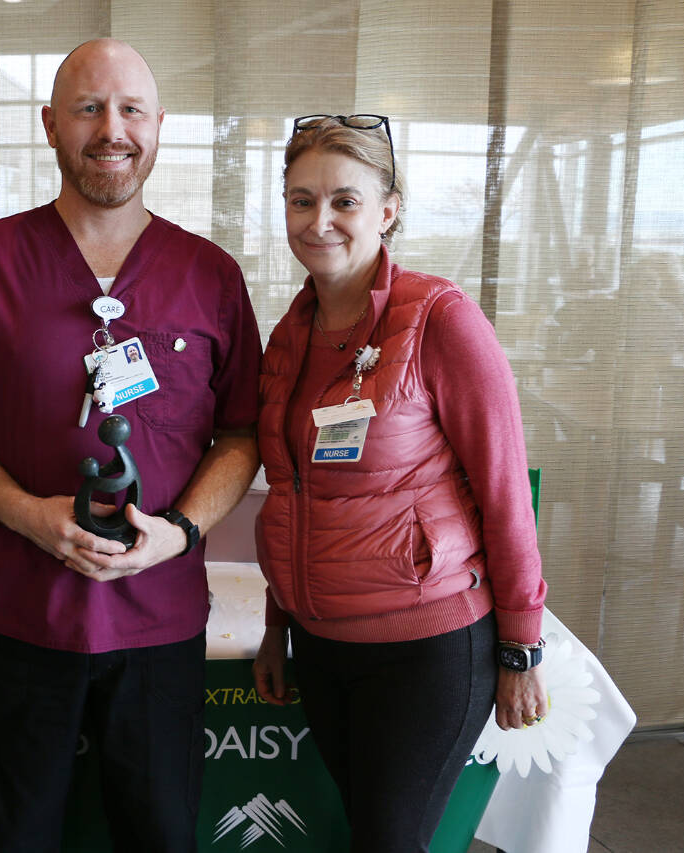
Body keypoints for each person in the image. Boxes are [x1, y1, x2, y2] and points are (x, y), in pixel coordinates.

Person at [0, 38, 261, 853]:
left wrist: (180, 532)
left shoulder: (209, 274)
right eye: (89, 108)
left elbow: (242, 434)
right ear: (50, 125)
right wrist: (24, 512)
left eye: (131, 109)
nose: (112, 129)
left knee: (159, 837)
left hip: (160, 621)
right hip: (21, 615)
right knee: (14, 837)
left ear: (159, 124)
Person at [251, 114, 549, 852]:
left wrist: (522, 648)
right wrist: (278, 625)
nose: (319, 221)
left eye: (345, 201)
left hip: (427, 646)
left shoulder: (440, 319)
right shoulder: (288, 337)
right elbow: (292, 493)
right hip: (322, 646)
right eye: (301, 200)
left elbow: (505, 493)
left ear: (387, 211)